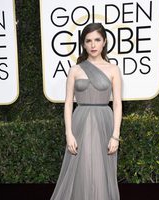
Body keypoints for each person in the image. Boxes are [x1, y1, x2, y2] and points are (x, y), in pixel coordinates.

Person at [50, 23, 122, 200]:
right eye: (88, 41)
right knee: (81, 168)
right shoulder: (75, 70)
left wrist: (115, 135)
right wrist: (69, 134)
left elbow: (118, 104)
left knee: (100, 169)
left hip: (104, 123)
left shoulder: (113, 69)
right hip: (80, 122)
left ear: (104, 41)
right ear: (83, 44)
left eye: (97, 40)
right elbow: (68, 103)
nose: (93, 45)